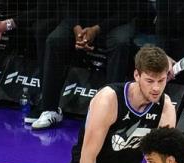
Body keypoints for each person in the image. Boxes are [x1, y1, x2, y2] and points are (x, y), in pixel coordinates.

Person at [29, 0, 141, 130]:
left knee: (120, 43)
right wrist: (76, 28)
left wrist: (96, 29)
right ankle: (49, 109)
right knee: (55, 41)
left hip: (117, 21)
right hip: (81, 21)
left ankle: (111, 114)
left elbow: (130, 9)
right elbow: (67, 4)